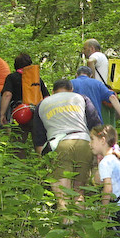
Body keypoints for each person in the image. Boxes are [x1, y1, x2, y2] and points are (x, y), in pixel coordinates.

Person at [32, 79, 96, 212]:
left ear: (53, 91)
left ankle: (65, 229)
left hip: (58, 145)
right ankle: (79, 229)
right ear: (71, 89)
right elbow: (95, 126)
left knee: (62, 196)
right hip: (83, 142)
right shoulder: (81, 98)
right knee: (79, 192)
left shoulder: (42, 104)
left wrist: (44, 165)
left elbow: (38, 140)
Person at [0, 53, 49, 141]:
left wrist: (2, 114)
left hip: (20, 113)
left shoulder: (12, 77)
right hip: (37, 112)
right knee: (40, 143)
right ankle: (40, 155)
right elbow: (46, 97)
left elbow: (7, 94)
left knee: (17, 143)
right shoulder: (37, 79)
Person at [82, 39, 119, 126]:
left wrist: (91, 80)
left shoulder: (96, 55)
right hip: (105, 92)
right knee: (108, 123)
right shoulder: (102, 57)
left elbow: (90, 61)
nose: (83, 51)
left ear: (91, 48)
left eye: (84, 48)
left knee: (102, 123)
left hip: (99, 95)